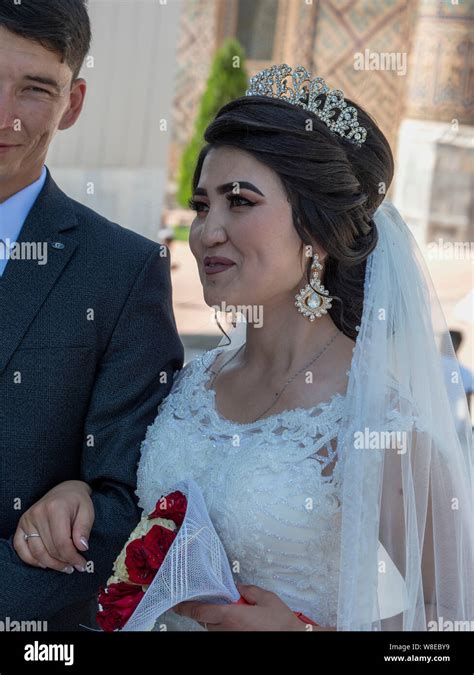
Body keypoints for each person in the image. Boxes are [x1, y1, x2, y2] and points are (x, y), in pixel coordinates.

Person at [17, 64, 473, 631]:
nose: (207, 231)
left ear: (318, 231)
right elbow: (136, 513)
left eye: (241, 201)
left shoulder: (381, 419)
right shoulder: (188, 382)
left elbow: (453, 619)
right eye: (203, 204)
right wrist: (76, 493)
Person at [0, 0, 183, 630]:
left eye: (34, 89)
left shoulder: (122, 273)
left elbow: (121, 512)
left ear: (72, 104)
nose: (4, 117)